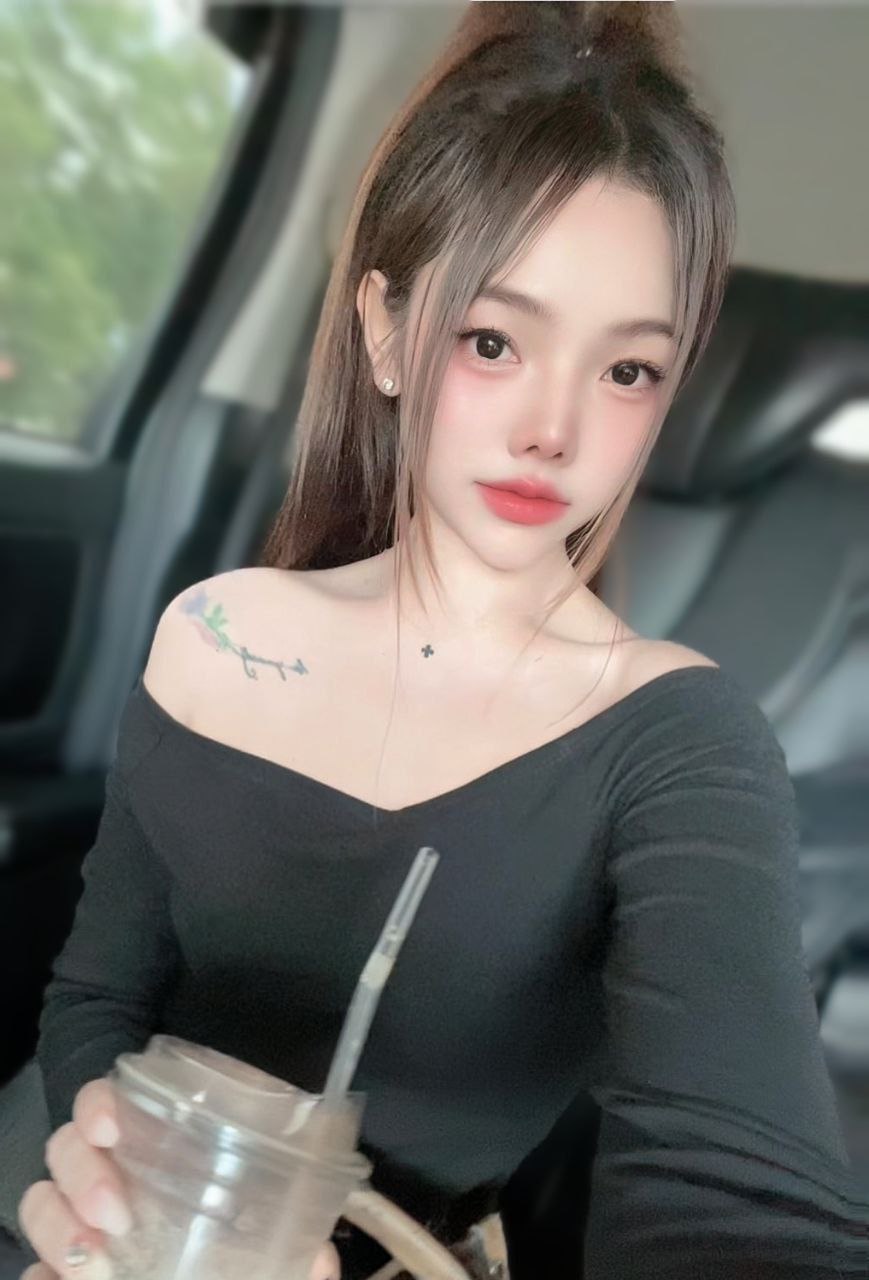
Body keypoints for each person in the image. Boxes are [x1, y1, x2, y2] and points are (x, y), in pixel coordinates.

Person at [12, 3, 869, 1278]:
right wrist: (116, 1171)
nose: (552, 429)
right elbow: (98, 996)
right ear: (383, 331)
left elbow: (742, 1201)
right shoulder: (217, 636)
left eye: (626, 371)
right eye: (491, 340)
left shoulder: (678, 741)